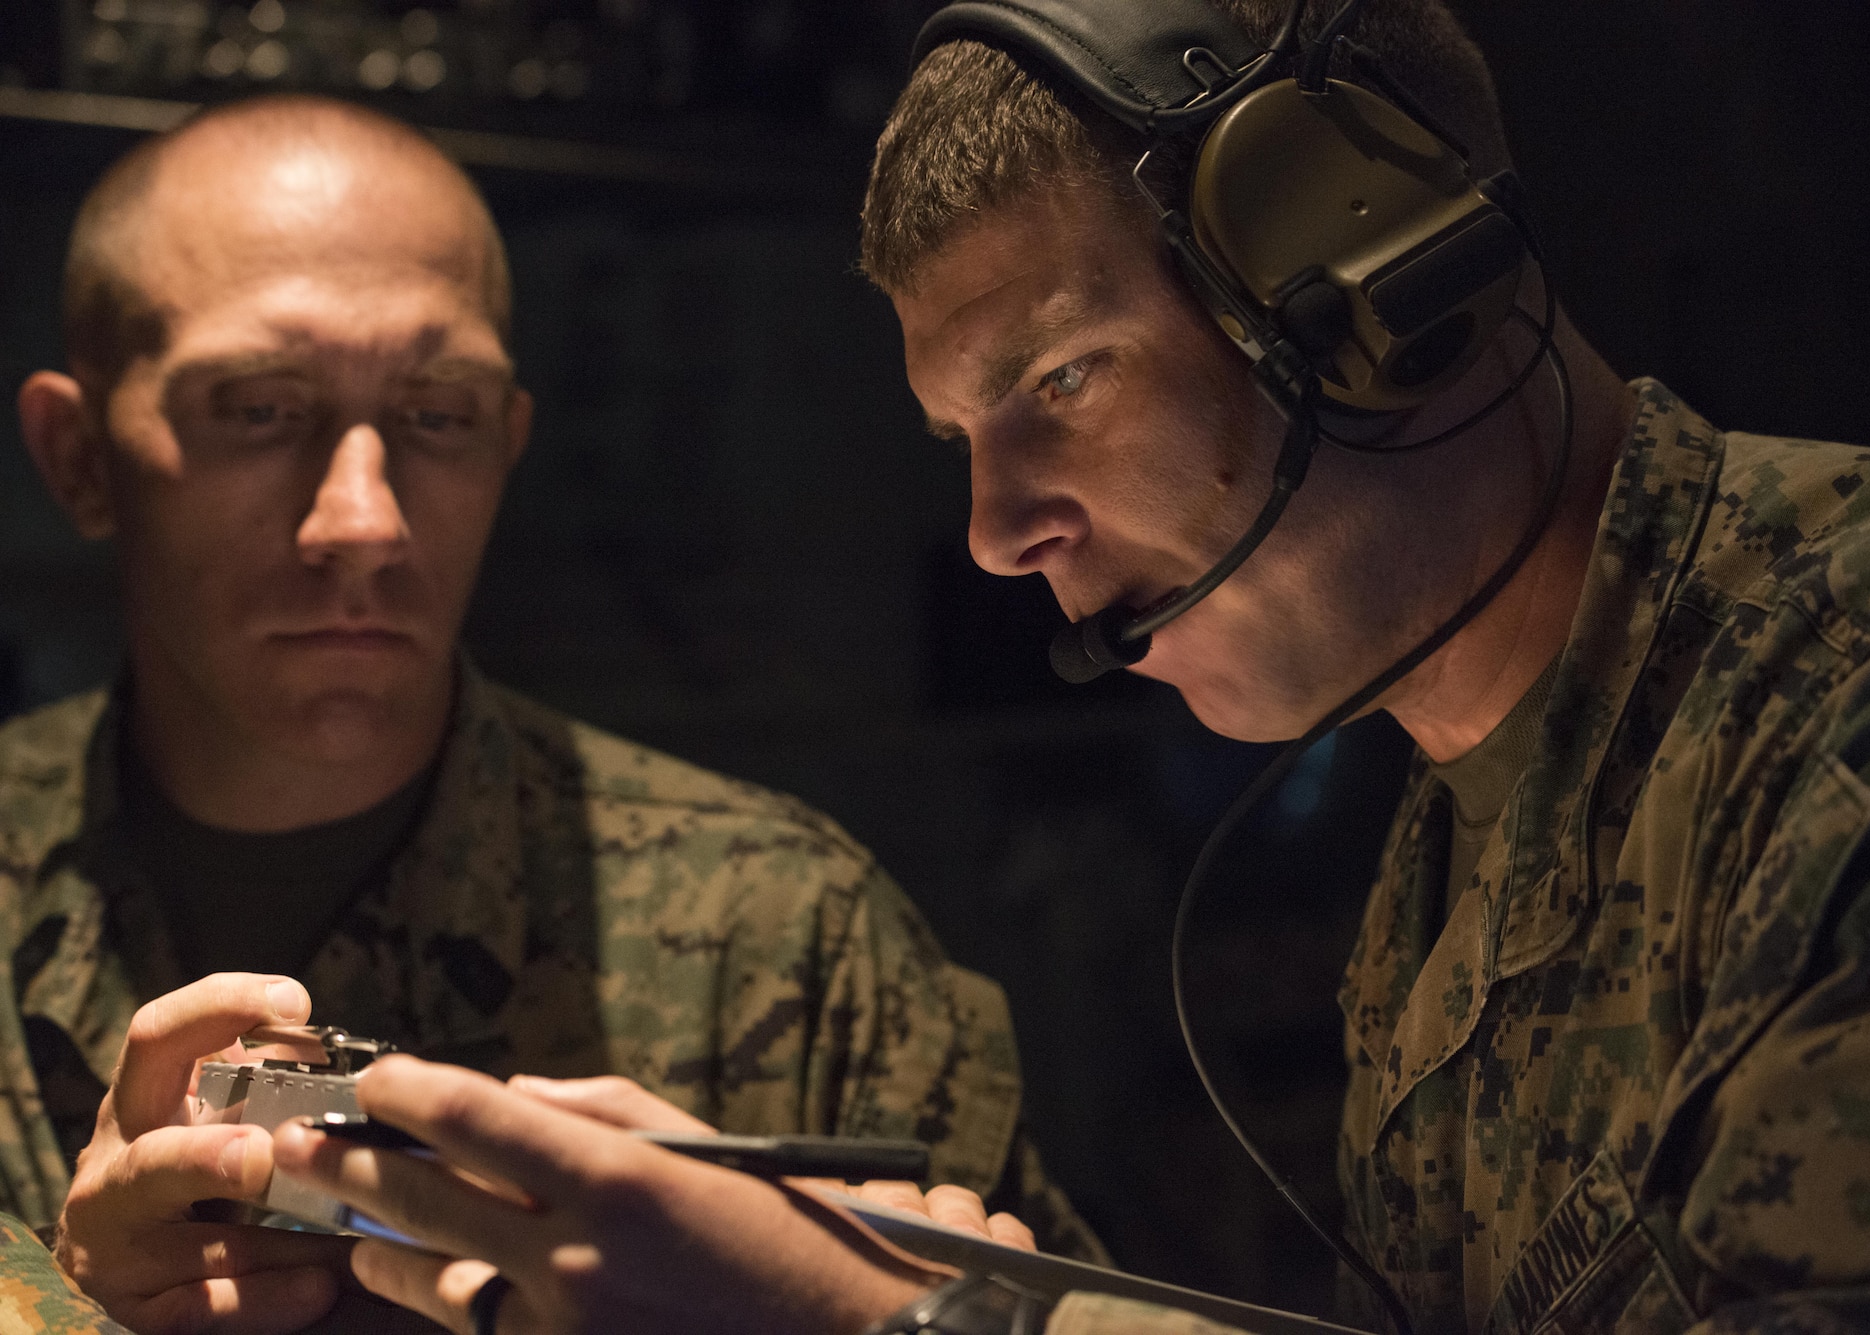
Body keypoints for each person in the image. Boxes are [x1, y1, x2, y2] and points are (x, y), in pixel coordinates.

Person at [6, 0, 1870, 1331]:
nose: (996, 528)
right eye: (964, 440)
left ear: (1369, 274)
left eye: (1052, 384)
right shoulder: (1486, 810)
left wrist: (877, 1315)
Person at [0, 94, 1098, 1333]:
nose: (364, 521)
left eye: (437, 416)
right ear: (80, 456)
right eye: (259, 409)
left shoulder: (781, 932)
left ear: (507, 443)